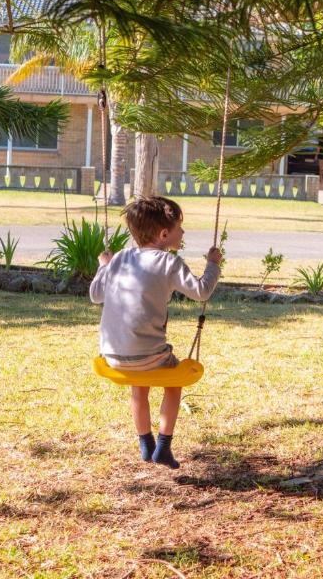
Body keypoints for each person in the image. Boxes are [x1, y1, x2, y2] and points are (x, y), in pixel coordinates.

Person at [90, 195, 222, 469]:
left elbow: (95, 295)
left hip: (113, 356)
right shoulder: (169, 262)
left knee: (139, 387)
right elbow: (201, 291)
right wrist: (213, 263)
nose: (182, 232)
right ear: (164, 234)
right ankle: (163, 446)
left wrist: (103, 267)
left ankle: (144, 444)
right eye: (179, 227)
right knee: (173, 384)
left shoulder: (120, 258)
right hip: (149, 356)